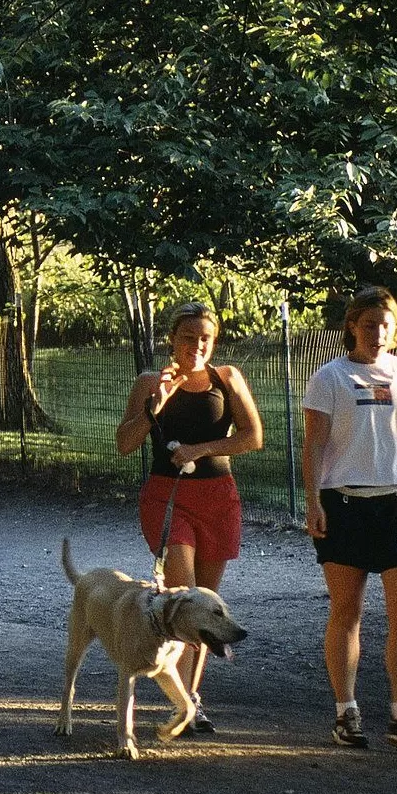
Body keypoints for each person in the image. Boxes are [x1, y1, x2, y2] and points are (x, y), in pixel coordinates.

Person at [302, 285, 397, 752]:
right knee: (347, 612)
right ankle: (346, 713)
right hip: (344, 504)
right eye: (369, 324)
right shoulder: (330, 376)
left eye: (386, 324)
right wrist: (313, 501)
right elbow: (314, 445)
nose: (378, 332)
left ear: (396, 329)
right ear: (351, 327)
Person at [112, 299, 264, 733]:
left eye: (205, 338)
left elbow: (253, 437)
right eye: (187, 338)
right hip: (167, 496)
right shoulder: (149, 381)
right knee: (186, 591)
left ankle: (192, 700)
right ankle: (183, 700)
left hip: (219, 498)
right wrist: (154, 408)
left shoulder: (227, 377)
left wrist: (199, 450)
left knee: (205, 609)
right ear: (171, 341)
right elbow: (124, 444)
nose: (197, 346)